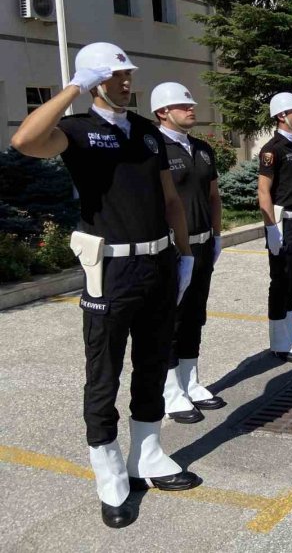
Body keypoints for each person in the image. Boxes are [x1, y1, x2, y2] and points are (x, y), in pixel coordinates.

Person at [10, 42, 200, 529]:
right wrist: (74, 83)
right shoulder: (75, 130)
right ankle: (109, 470)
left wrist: (185, 255)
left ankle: (148, 454)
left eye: (126, 74)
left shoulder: (145, 132)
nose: (125, 82)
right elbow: (25, 141)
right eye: (114, 75)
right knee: (104, 372)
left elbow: (170, 199)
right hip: (109, 270)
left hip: (158, 264)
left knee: (154, 362)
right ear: (94, 81)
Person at [151, 83, 226, 424]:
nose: (191, 108)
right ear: (162, 112)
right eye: (183, 105)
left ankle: (189, 381)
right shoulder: (154, 148)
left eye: (191, 103)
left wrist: (217, 234)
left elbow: (213, 196)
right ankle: (169, 391)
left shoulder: (202, 149)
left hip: (202, 242)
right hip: (170, 247)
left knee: (195, 313)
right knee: (170, 318)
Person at [258, 92, 292, 363]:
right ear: (282, 115)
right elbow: (264, 190)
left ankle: (289, 329)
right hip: (284, 222)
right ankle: (277, 339)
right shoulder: (273, 149)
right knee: (280, 280)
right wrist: (271, 227)